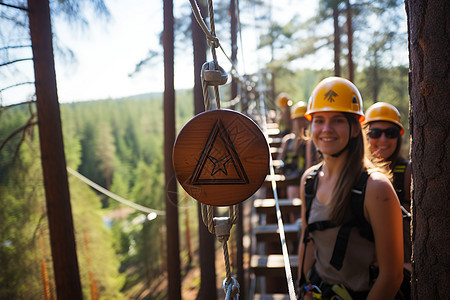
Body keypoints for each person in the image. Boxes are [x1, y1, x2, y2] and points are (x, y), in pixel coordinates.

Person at [297, 77, 404, 299]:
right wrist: (302, 287)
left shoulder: (375, 188)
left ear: (355, 129)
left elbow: (391, 276)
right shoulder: (309, 180)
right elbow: (308, 241)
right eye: (319, 120)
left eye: (337, 120)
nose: (326, 129)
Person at [364, 102, 412, 273]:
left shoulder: (407, 173)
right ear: (365, 135)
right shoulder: (355, 175)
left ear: (398, 136)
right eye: (375, 133)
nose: (383, 140)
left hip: (399, 269)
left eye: (390, 133)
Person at [277, 101, 310, 198]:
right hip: (289, 176)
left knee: (293, 190)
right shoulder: (287, 140)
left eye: (303, 119)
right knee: (290, 190)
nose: (301, 122)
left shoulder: (310, 142)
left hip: (301, 179)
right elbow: (280, 160)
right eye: (298, 119)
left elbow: (308, 166)